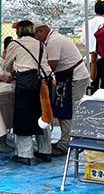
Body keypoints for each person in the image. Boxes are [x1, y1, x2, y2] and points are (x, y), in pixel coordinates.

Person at [34, 21, 90, 156]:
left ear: (40, 31)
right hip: (67, 77)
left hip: (74, 78)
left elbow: (51, 65)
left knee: (67, 110)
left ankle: (65, 144)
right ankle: (65, 141)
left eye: (34, 35)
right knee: (62, 109)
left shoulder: (54, 41)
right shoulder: (53, 39)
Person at [5, 21, 51, 165]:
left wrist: (14, 69)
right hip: (43, 83)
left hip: (25, 84)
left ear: (18, 31)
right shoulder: (40, 44)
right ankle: (45, 151)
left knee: (23, 117)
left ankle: (25, 154)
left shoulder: (15, 44)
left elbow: (7, 65)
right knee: (42, 115)